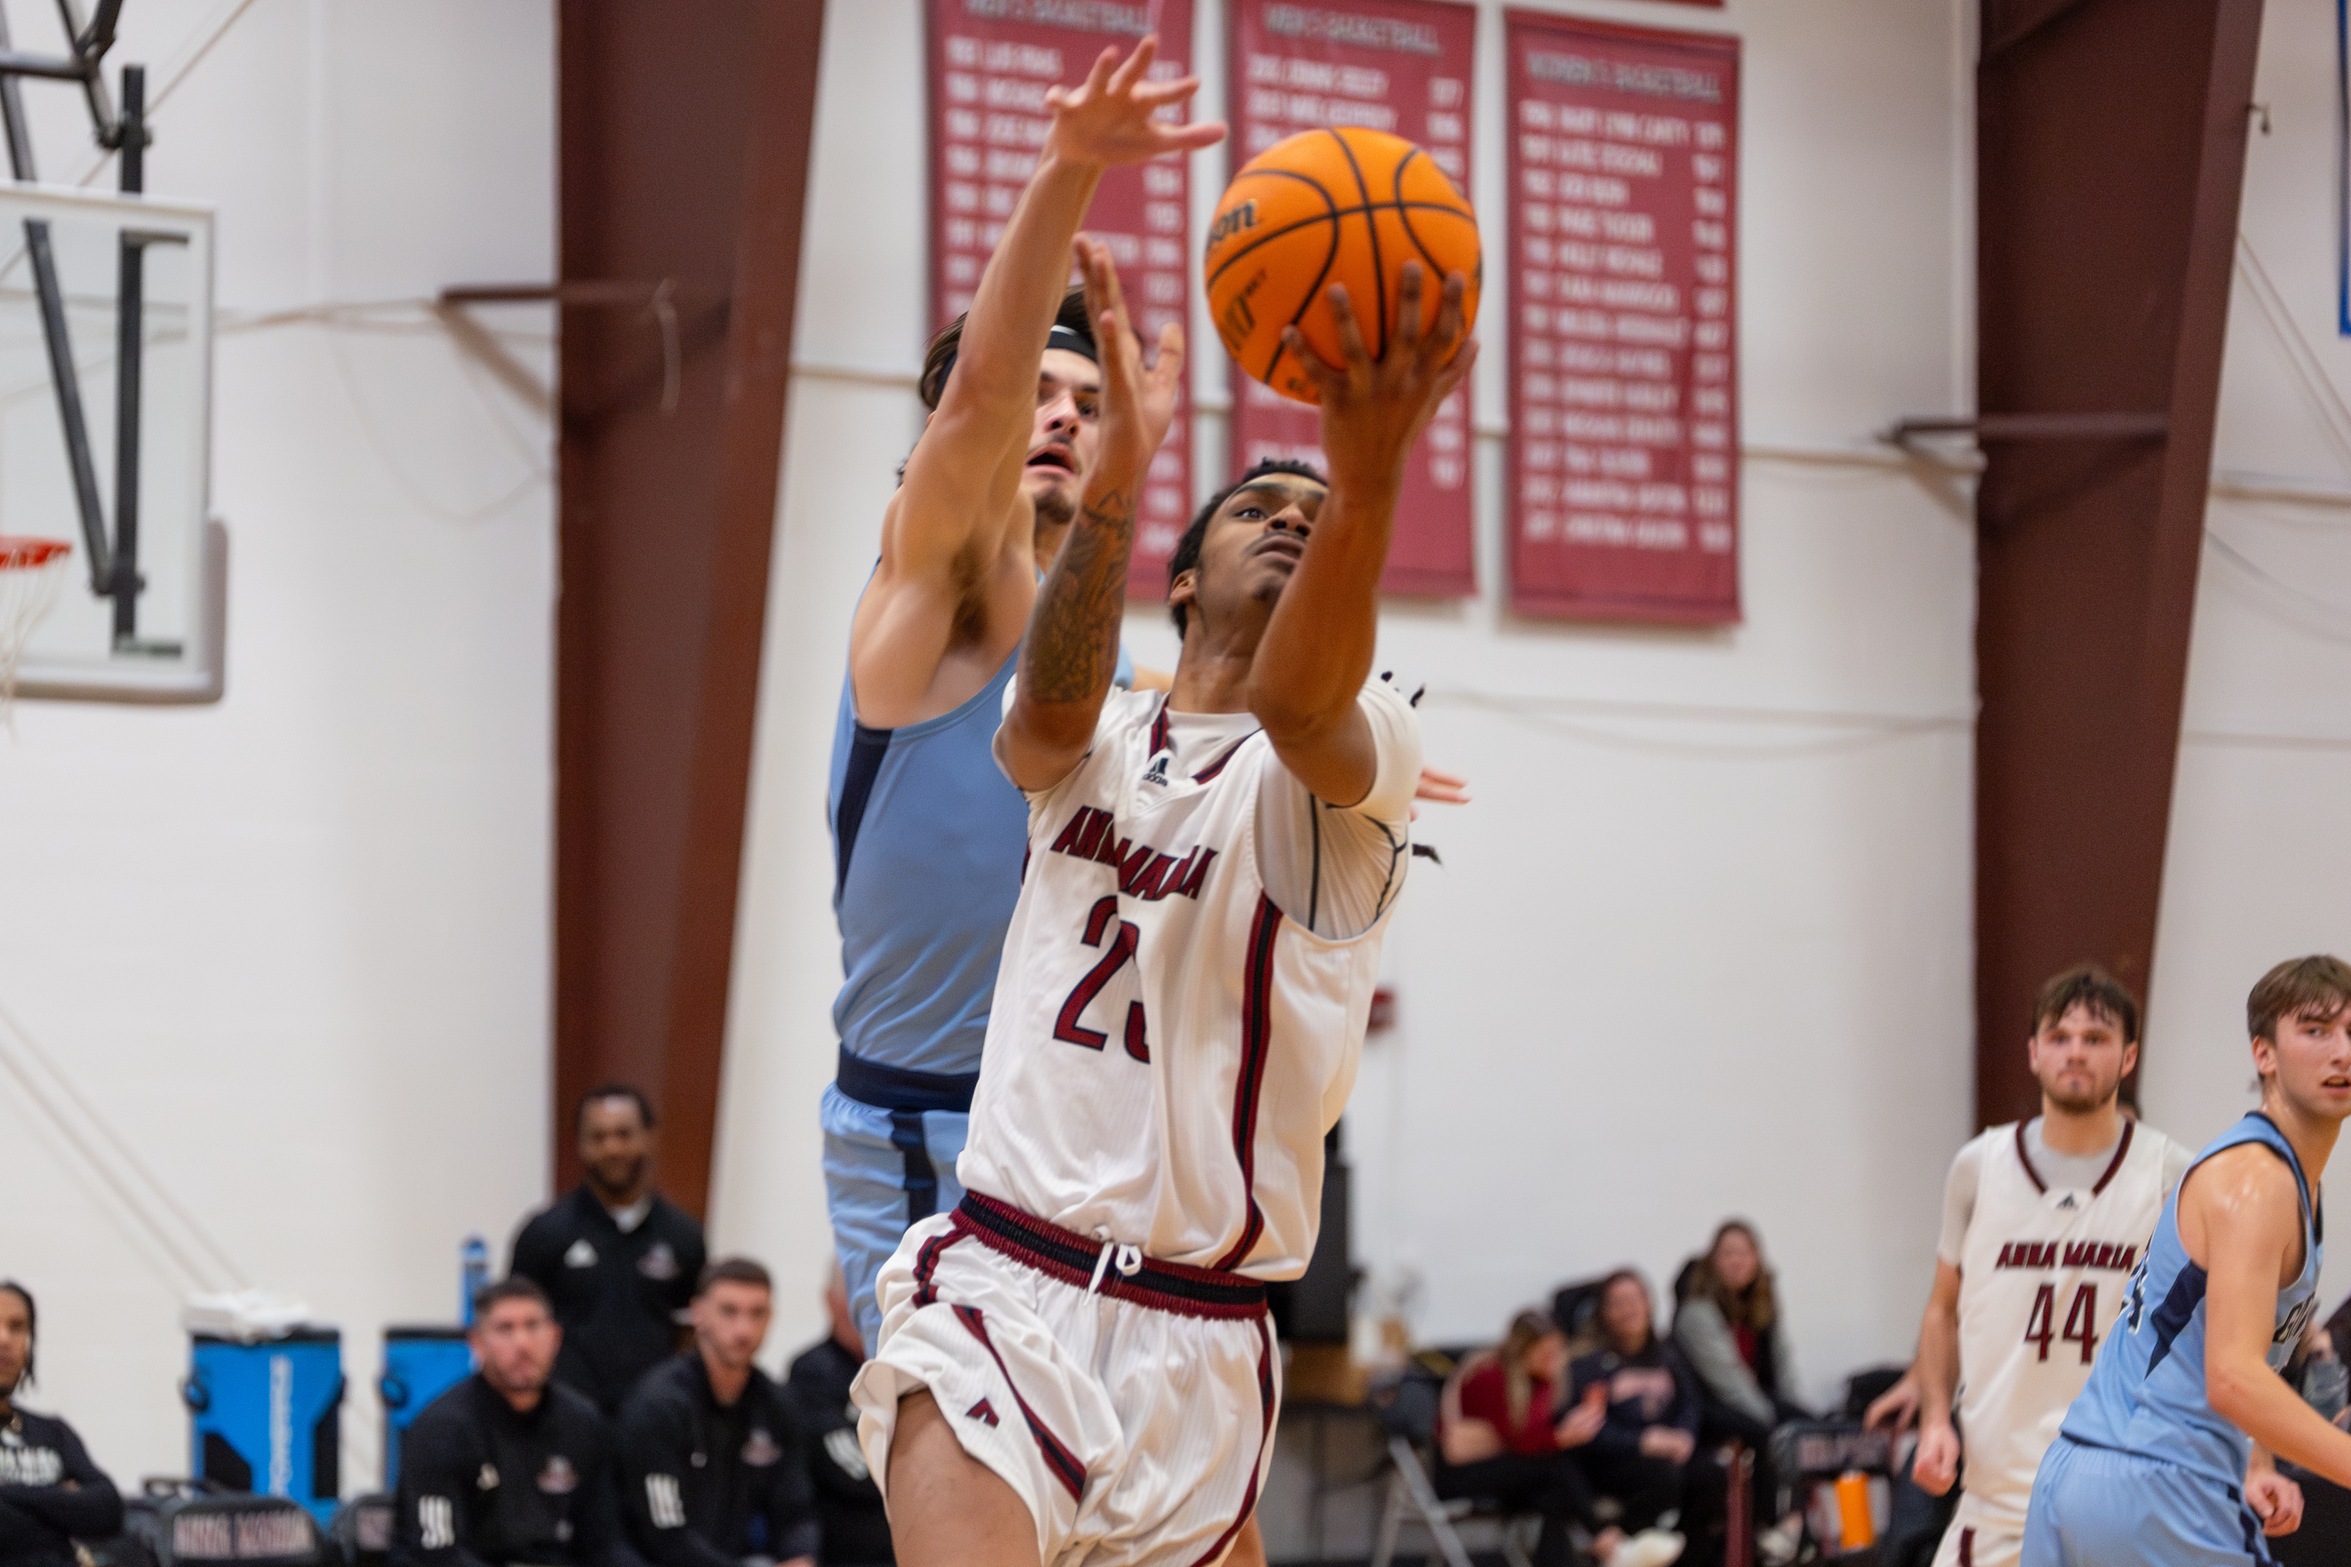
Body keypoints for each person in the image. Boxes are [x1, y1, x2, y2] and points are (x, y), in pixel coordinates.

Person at [850, 178, 1474, 1567]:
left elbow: (1303, 700)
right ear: (1180, 576)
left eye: (1321, 518)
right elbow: (1044, 718)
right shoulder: (1104, 734)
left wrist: (1365, 473)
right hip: (1004, 1278)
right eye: (1261, 500)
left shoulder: (1357, 758)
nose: (1295, 516)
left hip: (1204, 1337)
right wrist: (1121, 461)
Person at [2023, 955, 2351, 1566]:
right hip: (2158, 1484)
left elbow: (2206, 1360)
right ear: (2264, 1054)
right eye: (2316, 1030)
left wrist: (2256, 1458)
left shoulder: (2288, 1177)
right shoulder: (2258, 1181)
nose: (2341, 1051)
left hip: (2082, 1474)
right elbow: (2232, 1380)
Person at [1861, 965, 2192, 1567]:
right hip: (1995, 1502)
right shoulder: (1978, 1166)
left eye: (2096, 1039)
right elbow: (1942, 1310)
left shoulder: (2174, 1174)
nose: (2076, 1052)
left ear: (2128, 1057)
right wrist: (1936, 1418)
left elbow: (2210, 1333)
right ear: (2034, 1052)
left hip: (2118, 1496)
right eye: (2060, 1037)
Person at [394, 1278, 634, 1567]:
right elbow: (437, 1551)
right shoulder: (441, 1429)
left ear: (555, 1338)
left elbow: (605, 1544)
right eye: (505, 1329)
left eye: (532, 1326)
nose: (522, 1343)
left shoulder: (583, 1422)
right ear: (477, 1344)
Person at [513, 1086, 708, 1413]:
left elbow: (694, 1332)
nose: (612, 1148)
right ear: (581, 1145)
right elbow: (516, 1328)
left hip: (654, 1419)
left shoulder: (684, 1236)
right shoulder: (544, 1232)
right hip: (564, 1421)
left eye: (624, 1134)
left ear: (649, 1137)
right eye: (598, 1137)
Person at [1437, 1310, 1682, 1567]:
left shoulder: (1536, 1379)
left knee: (1554, 1496)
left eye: (1557, 1351)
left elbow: (1530, 1437)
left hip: (1509, 1467)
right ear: (1523, 1352)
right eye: (1546, 1353)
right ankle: (1606, 1540)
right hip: (1462, 1472)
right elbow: (1520, 1441)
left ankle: (1591, 1550)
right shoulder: (1490, 1376)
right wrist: (1561, 1437)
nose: (1555, 1359)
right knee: (1555, 1468)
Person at [618, 1259, 818, 1567]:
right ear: (698, 1313)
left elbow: (795, 1510)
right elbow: (665, 1534)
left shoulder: (777, 1405)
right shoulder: (658, 1406)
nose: (744, 1329)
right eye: (729, 1311)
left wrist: (799, 1557)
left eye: (757, 1313)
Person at [1672, 1222, 1805, 1562]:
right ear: (1713, 1260)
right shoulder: (1696, 1311)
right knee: (1763, 1434)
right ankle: (1765, 1529)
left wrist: (1795, 1410)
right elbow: (1729, 1381)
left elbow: (1782, 1363)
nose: (1737, 1261)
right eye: (1728, 1253)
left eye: (1744, 1253)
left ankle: (1799, 1523)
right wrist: (1774, 1425)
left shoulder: (1761, 1305)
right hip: (1708, 1404)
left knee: (1808, 1427)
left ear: (1757, 1259)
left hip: (1752, 1395)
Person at [1567, 1272, 1719, 1567]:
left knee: (1710, 1475)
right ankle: (1618, 1548)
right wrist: (1641, 1441)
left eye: (1636, 1299)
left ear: (1649, 1303)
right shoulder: (1591, 1362)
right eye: (1619, 1303)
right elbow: (1589, 1427)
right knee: (1663, 1477)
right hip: (1616, 1458)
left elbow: (1691, 1402)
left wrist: (1684, 1435)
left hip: (1667, 1449)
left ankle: (1688, 1556)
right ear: (1604, 1312)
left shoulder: (1668, 1353)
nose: (1630, 1309)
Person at [0, 1282, 122, 1567]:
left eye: (17, 1327)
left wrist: (11, 1496)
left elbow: (107, 1509)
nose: (4, 1339)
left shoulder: (53, 1432)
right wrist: (61, 1500)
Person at [779, 1268, 891, 1567]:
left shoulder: (897, 1370)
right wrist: (907, 1475)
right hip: (839, 1544)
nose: (864, 1312)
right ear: (829, 1300)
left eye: (873, 1300)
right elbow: (847, 1465)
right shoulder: (810, 1370)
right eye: (854, 1298)